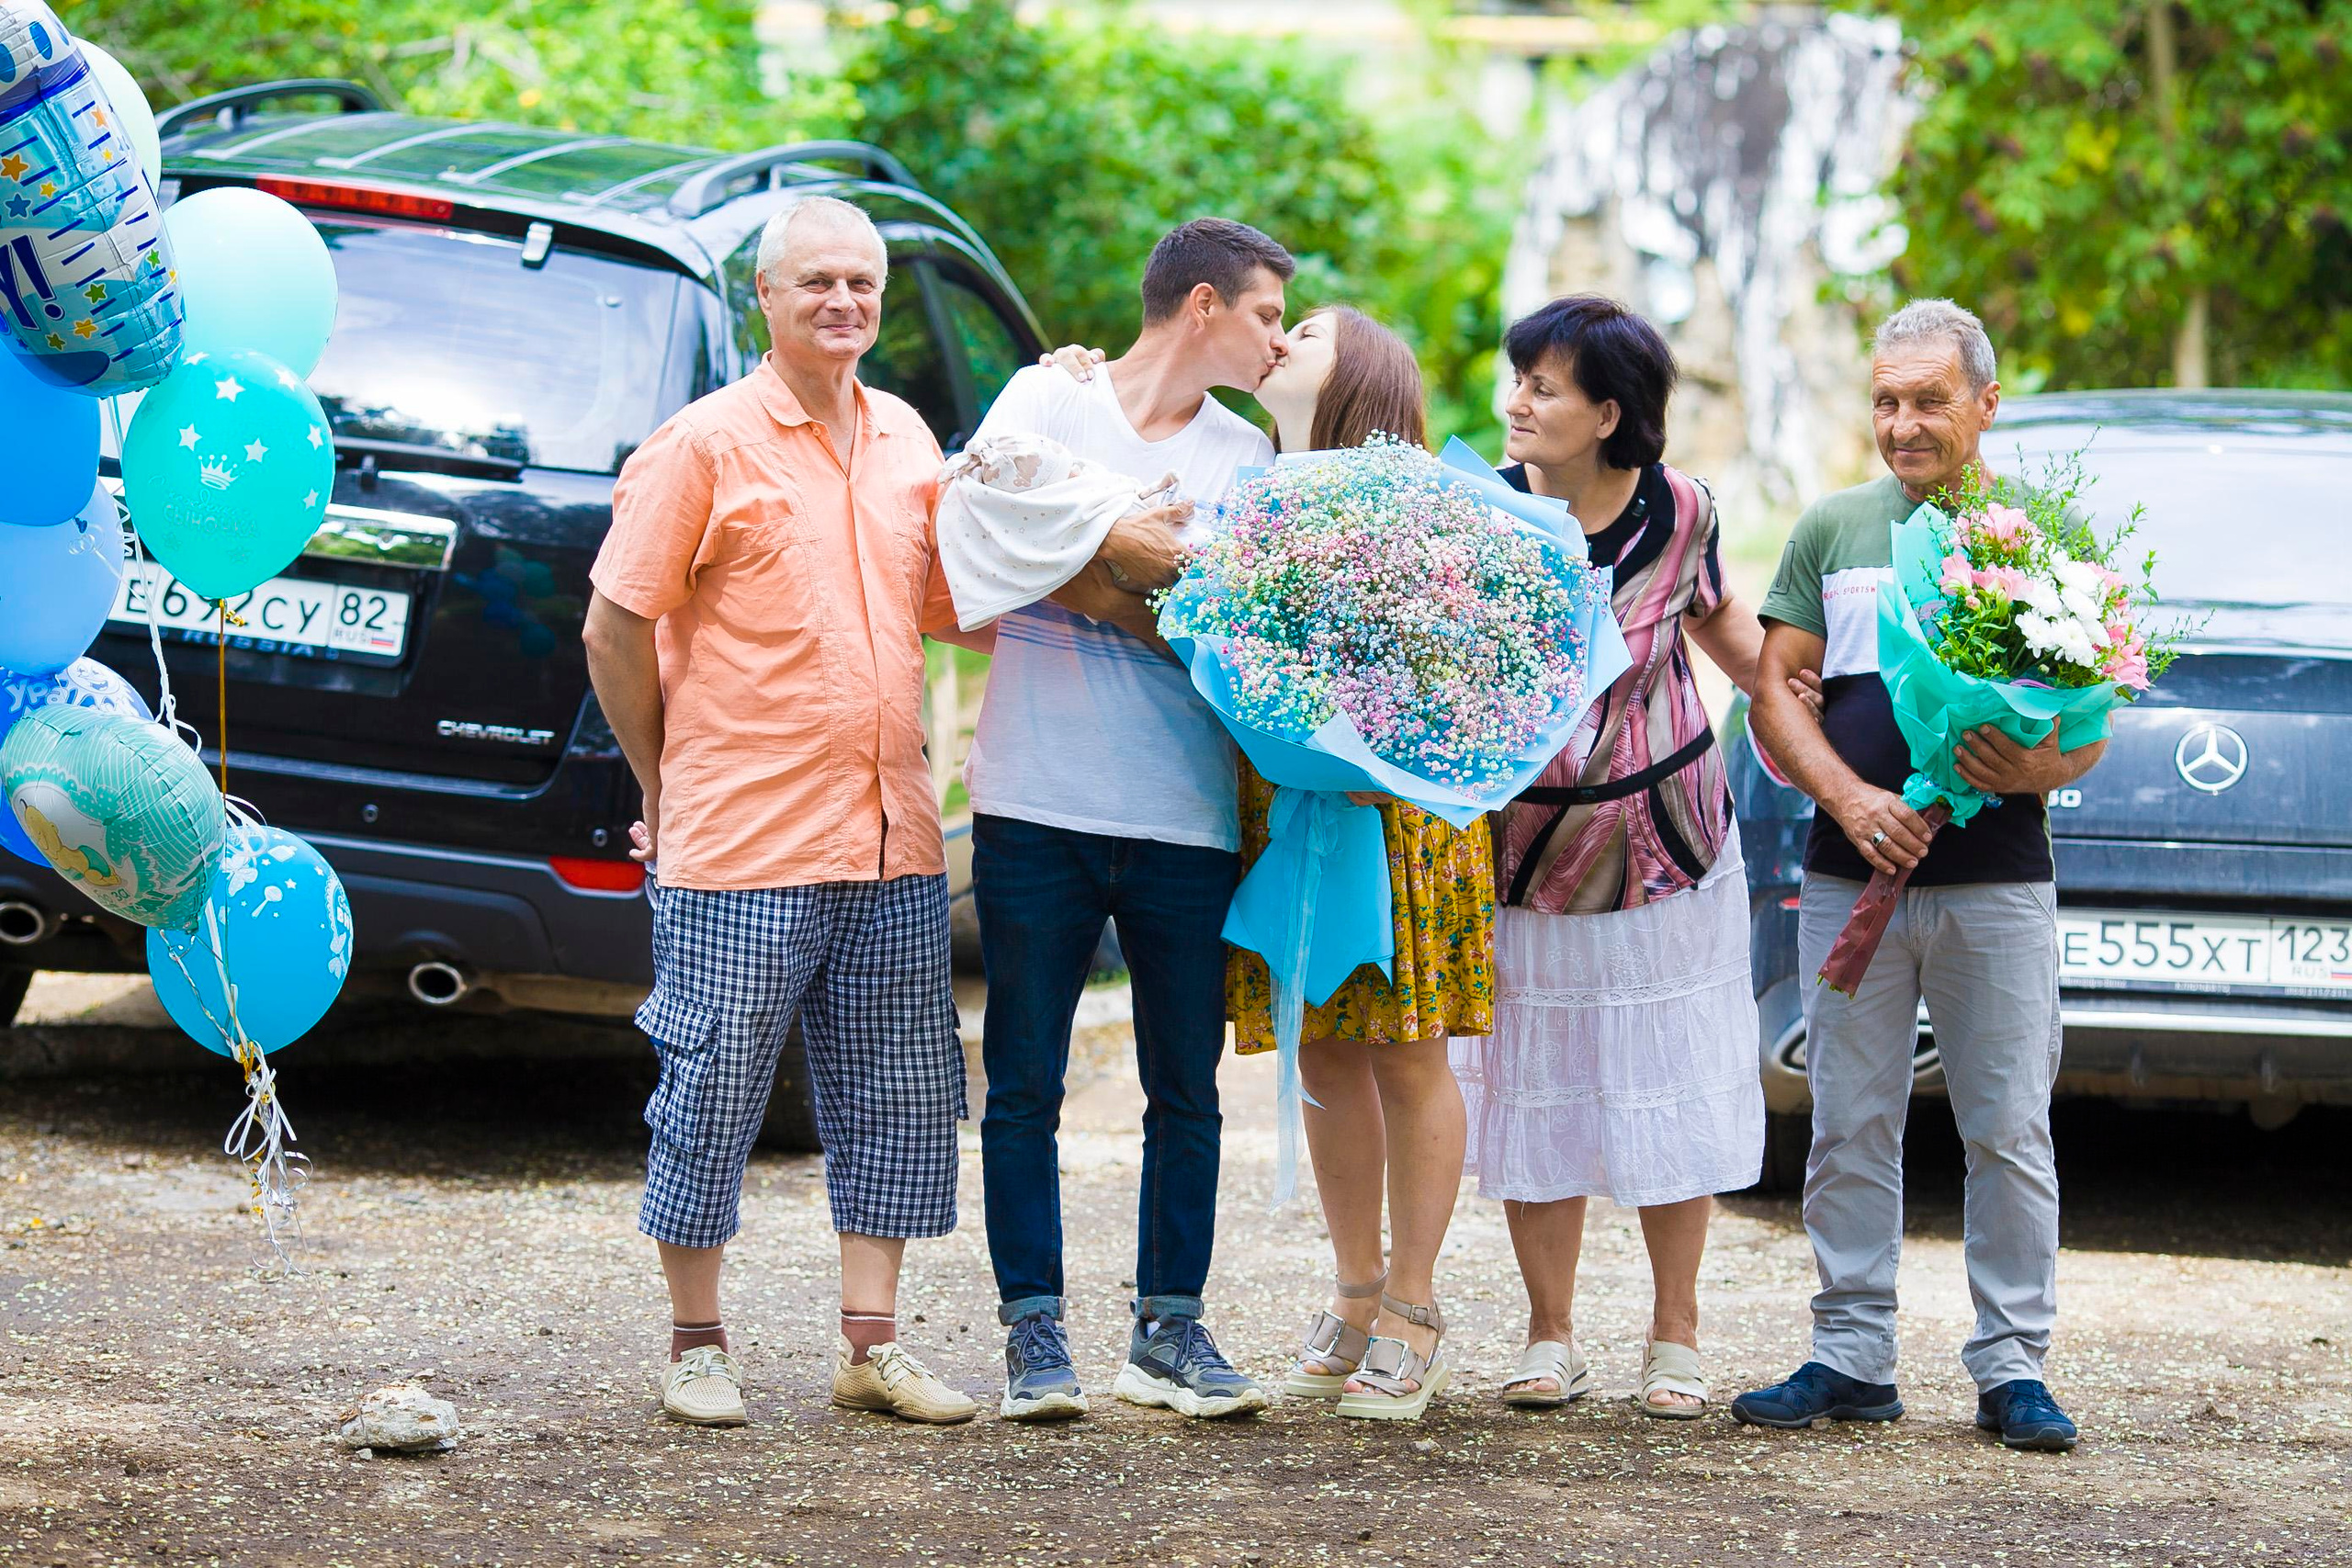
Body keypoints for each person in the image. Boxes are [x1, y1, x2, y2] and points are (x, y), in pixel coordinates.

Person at [582, 197, 978, 1429]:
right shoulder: (702, 444)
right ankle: (696, 1343)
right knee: (711, 1090)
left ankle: (872, 1345)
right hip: (740, 839)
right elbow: (613, 625)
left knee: (900, 1096)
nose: (844, 301)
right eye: (817, 281)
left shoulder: (910, 436)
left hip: (890, 833)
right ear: (767, 295)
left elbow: (952, 609)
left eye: (862, 280)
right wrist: (662, 782)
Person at [1735, 298, 2106, 1453]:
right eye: (1886, 401)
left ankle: (2012, 1370)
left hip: (1997, 882)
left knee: (2006, 1127)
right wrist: (1848, 798)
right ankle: (1850, 1358)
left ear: (1985, 405)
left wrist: (2037, 759)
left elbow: (2090, 726)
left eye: (1927, 401)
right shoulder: (1833, 528)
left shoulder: (2038, 535)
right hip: (1850, 879)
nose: (1902, 424)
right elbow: (1772, 692)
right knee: (1848, 1124)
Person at [963, 219, 1293, 1423]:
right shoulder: (1043, 401)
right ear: (1202, 305)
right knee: (1021, 1081)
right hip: (1034, 797)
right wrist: (1123, 550)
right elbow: (969, 533)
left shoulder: (1247, 454)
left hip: (1183, 809)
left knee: (1186, 1089)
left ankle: (1170, 1326)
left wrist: (1084, 559)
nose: (1274, 339)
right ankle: (1032, 1331)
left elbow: (1229, 640)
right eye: (1265, 314)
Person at [1449, 294, 1798, 1420]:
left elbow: (1728, 637)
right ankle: (1550, 1337)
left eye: (1541, 387)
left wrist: (1831, 713)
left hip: (1668, 841)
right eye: (1518, 380)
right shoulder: (1486, 517)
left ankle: (1675, 1337)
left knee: (1667, 1073)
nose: (1515, 402)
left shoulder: (1681, 511)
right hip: (1527, 852)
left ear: (1607, 412)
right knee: (1536, 1082)